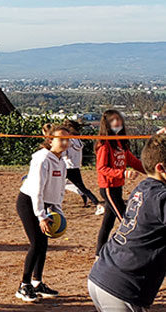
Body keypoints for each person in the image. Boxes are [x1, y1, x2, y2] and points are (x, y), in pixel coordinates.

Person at [88, 133, 166, 311]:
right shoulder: (162, 198)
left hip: (104, 274)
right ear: (161, 168)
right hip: (122, 286)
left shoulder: (145, 187)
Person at [15, 124, 71, 302]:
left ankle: (37, 282)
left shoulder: (62, 161)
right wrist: (41, 215)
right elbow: (37, 189)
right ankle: (24, 285)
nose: (64, 142)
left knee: (43, 244)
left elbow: (59, 189)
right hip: (29, 201)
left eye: (67, 139)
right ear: (50, 140)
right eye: (60, 139)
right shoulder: (42, 159)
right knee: (36, 243)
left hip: (46, 205)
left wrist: (57, 211)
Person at [95, 110, 146, 256]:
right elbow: (101, 168)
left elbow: (133, 161)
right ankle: (134, 252)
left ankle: (99, 254)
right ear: (106, 124)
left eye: (118, 119)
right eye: (113, 120)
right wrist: (122, 173)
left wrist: (152, 171)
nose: (117, 123)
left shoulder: (121, 143)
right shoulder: (104, 145)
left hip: (118, 186)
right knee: (125, 220)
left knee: (108, 223)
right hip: (108, 188)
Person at [61, 120, 102, 211]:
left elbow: (63, 154)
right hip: (75, 166)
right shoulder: (78, 140)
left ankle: (96, 203)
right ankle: (88, 198)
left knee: (58, 185)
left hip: (68, 167)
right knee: (66, 185)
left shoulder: (69, 141)